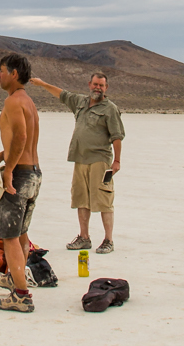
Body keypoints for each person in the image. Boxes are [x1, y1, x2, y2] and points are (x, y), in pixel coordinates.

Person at [29, 69, 124, 253]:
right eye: (95, 84)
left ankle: (108, 240)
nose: (98, 88)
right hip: (80, 159)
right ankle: (84, 237)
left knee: (104, 199)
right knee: (81, 199)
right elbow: (62, 94)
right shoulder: (80, 102)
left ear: (106, 88)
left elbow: (117, 137)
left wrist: (117, 161)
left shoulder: (110, 109)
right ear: (89, 85)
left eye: (101, 85)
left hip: (100, 161)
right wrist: (42, 84)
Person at [0, 52, 42, 313]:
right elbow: (24, 141)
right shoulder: (28, 102)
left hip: (19, 175)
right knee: (20, 233)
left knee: (8, 235)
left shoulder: (13, 102)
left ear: (14, 74)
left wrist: (8, 171)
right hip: (33, 173)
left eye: (1, 70)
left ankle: (21, 295)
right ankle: (15, 277)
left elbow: (20, 136)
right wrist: (1, 155)